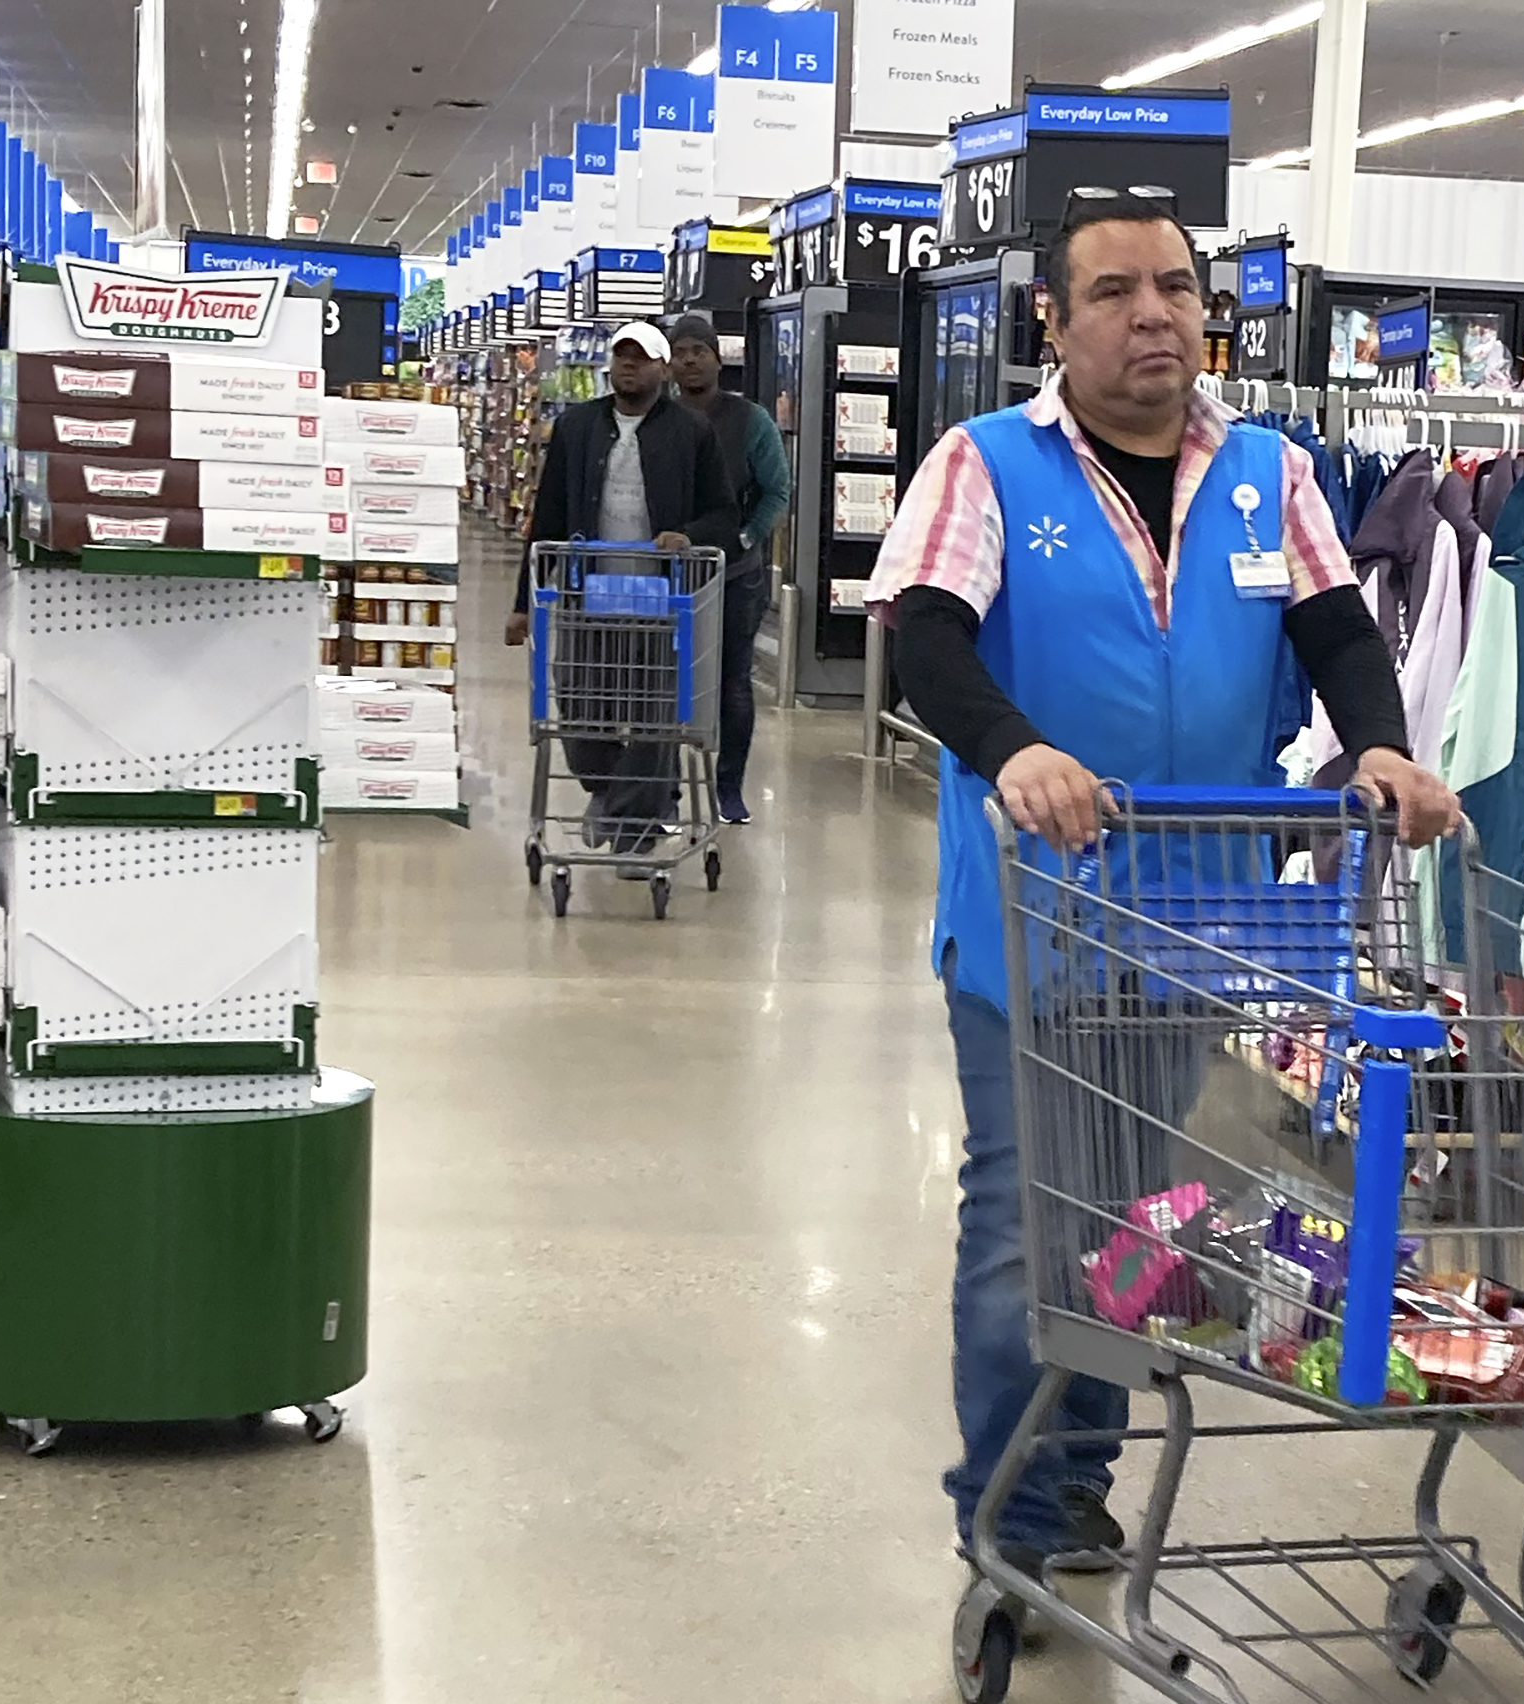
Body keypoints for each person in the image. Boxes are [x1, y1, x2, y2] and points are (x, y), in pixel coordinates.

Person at [867, 192, 1460, 1574]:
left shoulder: (1273, 471)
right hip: (1035, 921)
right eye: (1118, 292)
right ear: (1056, 322)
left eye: (1177, 290)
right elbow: (933, 644)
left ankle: (1077, 1477)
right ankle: (1006, 1513)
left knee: (1138, 1220)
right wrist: (1015, 750)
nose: (1154, 315)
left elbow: (1333, 633)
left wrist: (1382, 745)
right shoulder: (986, 464)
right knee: (1030, 1217)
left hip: (1198, 922)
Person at [506, 320, 737, 851]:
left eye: (641, 357)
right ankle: (606, 791)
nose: (629, 366)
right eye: (621, 356)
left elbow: (724, 513)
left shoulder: (690, 432)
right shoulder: (577, 427)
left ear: (663, 369)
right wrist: (523, 603)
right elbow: (549, 519)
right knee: (581, 711)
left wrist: (689, 536)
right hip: (586, 602)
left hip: (664, 604)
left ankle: (634, 829)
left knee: (655, 720)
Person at [664, 312, 791, 826]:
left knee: (733, 684)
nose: (690, 359)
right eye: (680, 351)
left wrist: (745, 537)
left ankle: (728, 788)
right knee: (662, 683)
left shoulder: (750, 420)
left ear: (719, 358)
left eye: (699, 350)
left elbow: (777, 490)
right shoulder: (657, 419)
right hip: (668, 576)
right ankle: (665, 788)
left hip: (736, 576)